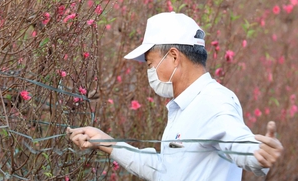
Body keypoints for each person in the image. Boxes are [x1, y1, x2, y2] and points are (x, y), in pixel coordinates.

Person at [68, 12, 283, 180]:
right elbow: (165, 169)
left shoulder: (214, 101)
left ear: (173, 56)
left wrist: (257, 154)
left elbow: (236, 141)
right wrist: (105, 141)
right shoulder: (183, 107)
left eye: (151, 64)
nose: (149, 73)